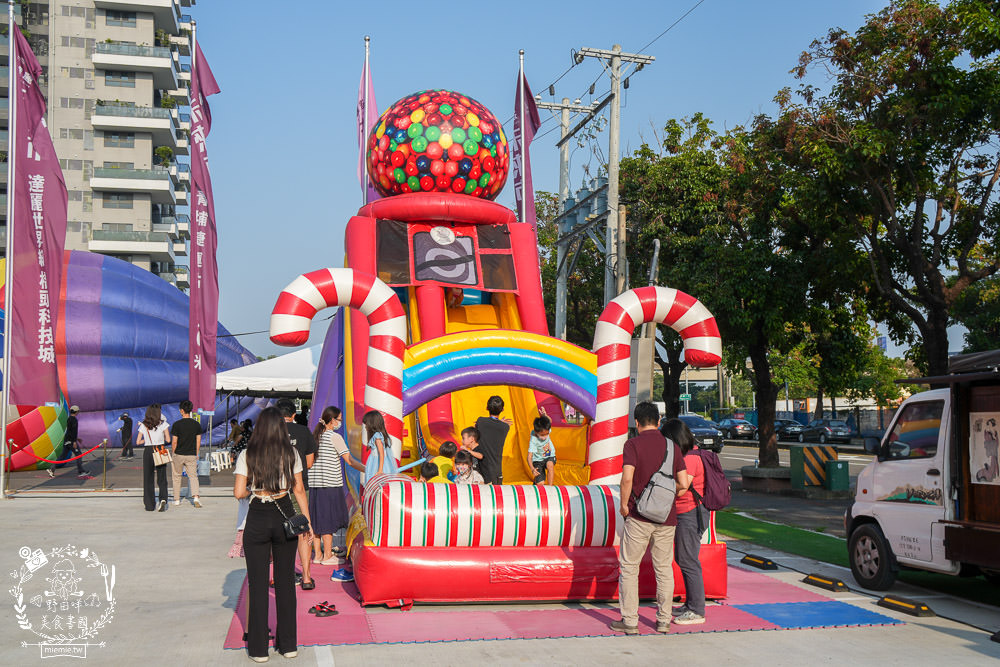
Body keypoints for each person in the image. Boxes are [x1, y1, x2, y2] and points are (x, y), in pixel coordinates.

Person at [233, 406, 313, 662]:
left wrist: (256, 486)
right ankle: (288, 645)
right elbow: (299, 489)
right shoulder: (291, 453)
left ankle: (258, 649)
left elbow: (238, 493)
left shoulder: (247, 454)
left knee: (257, 585)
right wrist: (307, 522)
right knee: (286, 583)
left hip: (258, 514)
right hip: (285, 512)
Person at [611, 401, 690, 635]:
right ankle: (664, 621)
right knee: (664, 568)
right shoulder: (673, 447)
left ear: (636, 422)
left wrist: (624, 505)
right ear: (658, 421)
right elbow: (684, 484)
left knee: (629, 567)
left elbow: (627, 479)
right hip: (667, 519)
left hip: (638, 516)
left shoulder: (632, 444)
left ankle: (630, 621)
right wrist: (664, 498)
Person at [661, 417, 709, 625]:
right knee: (684, 559)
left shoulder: (690, 458)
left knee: (688, 560)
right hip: (685, 513)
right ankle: (691, 604)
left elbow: (682, 487)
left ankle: (697, 609)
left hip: (690, 513)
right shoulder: (686, 455)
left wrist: (660, 493)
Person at [308, 406, 364, 565]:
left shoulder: (315, 436)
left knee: (317, 518)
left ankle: (318, 554)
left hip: (315, 484)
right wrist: (366, 469)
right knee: (327, 520)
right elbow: (349, 460)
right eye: (339, 419)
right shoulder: (335, 437)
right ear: (332, 421)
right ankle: (327, 556)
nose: (340, 422)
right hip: (330, 483)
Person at [277, 398, 317, 591]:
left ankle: (280, 576)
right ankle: (307, 577)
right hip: (299, 485)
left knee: (278, 532)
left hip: (275, 489)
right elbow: (309, 463)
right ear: (294, 415)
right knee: (302, 530)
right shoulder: (303, 431)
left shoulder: (270, 432)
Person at [138, 404, 171, 512]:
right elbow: (168, 440)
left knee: (148, 478)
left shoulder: (144, 425)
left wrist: (147, 440)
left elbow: (138, 442)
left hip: (148, 450)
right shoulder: (163, 424)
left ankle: (149, 504)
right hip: (160, 449)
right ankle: (163, 499)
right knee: (162, 477)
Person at [171, 400, 203, 508]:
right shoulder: (196, 425)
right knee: (193, 476)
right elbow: (198, 441)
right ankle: (196, 497)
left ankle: (176, 499)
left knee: (176, 476)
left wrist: (173, 453)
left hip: (179, 454)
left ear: (181, 411)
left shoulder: (176, 425)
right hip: (191, 454)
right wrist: (196, 453)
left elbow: (174, 441)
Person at [475, 395, 510, 485]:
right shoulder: (505, 427)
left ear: (487, 408)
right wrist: (501, 422)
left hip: (482, 469)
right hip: (496, 470)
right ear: (502, 410)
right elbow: (495, 426)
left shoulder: (480, 421)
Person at [51, 405, 91, 479]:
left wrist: (77, 439)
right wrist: (74, 442)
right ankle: (81, 472)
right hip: (71, 442)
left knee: (63, 456)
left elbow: (69, 431)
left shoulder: (69, 419)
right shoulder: (74, 420)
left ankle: (52, 467)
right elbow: (73, 432)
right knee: (79, 455)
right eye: (78, 411)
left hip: (67, 441)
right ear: (76, 412)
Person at [362, 410, 398, 483]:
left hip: (376, 464)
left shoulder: (377, 437)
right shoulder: (378, 436)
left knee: (376, 482)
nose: (365, 426)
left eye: (366, 424)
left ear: (372, 424)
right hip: (377, 463)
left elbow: (381, 453)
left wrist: (380, 470)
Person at [528, 413, 555, 485]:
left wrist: (545, 415)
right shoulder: (533, 440)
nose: (545, 437)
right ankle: (536, 482)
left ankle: (550, 488)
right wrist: (532, 469)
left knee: (550, 465)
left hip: (549, 456)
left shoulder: (546, 430)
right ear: (536, 433)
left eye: (547, 434)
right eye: (542, 435)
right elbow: (529, 457)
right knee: (541, 483)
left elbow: (550, 421)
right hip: (538, 460)